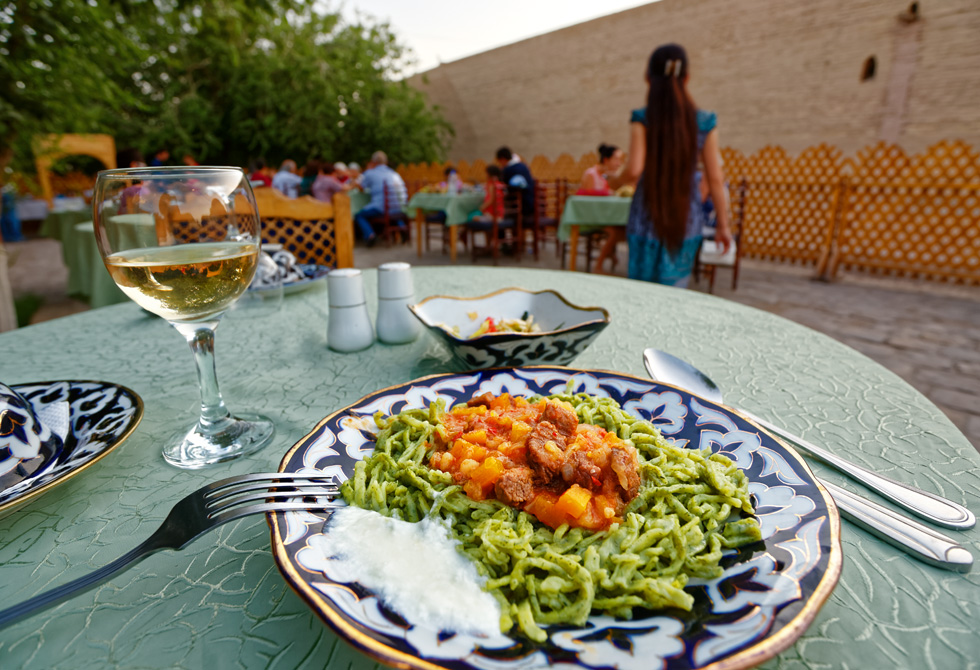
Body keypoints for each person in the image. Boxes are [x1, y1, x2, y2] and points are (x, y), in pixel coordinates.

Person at [623, 43, 731, 287]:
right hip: (686, 217)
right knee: (675, 292)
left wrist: (614, 181)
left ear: (647, 78)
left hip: (645, 217)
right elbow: (715, 178)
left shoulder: (642, 118)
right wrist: (723, 226)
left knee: (639, 291)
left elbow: (634, 170)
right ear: (687, 77)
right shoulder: (704, 122)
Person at [577, 143, 627, 273]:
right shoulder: (591, 174)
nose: (619, 163)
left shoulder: (607, 177)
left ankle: (608, 253)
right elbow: (584, 197)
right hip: (589, 218)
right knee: (616, 232)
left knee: (623, 229)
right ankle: (598, 266)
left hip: (604, 218)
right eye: (616, 159)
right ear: (606, 160)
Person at [354, 151, 408, 246]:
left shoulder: (370, 173)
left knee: (359, 215)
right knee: (393, 209)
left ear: (373, 162)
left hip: (382, 208)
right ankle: (402, 227)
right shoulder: (393, 174)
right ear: (386, 162)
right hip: (397, 207)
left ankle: (370, 235)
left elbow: (360, 186)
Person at [495, 147, 535, 217]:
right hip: (532, 204)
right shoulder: (523, 166)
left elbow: (503, 186)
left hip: (521, 208)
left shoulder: (508, 170)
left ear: (503, 159)